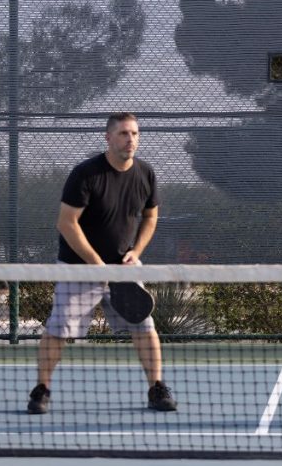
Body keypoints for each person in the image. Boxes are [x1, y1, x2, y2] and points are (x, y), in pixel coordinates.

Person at [27, 112, 177, 414]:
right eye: (123, 133)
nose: (130, 139)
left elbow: (151, 217)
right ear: (108, 138)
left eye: (134, 133)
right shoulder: (86, 174)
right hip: (79, 267)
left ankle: (156, 388)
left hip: (123, 267)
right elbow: (67, 223)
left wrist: (136, 252)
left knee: (145, 328)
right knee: (58, 329)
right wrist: (96, 264)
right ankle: (41, 390)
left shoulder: (145, 174)